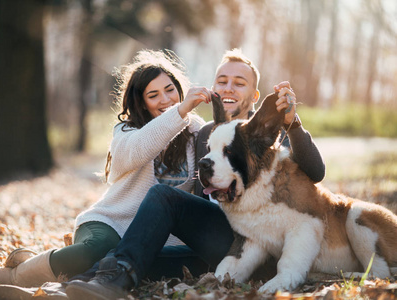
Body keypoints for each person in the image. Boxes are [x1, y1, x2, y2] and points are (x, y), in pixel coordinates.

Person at [63, 48, 326, 299]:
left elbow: (316, 172)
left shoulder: (267, 133)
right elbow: (158, 148)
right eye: (222, 81)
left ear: (255, 95)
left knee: (162, 200)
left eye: (239, 82)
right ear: (214, 88)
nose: (228, 88)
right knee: (131, 253)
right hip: (212, 237)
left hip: (256, 243)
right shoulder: (205, 132)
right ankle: (74, 289)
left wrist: (293, 125)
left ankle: (101, 281)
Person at [0, 49, 213, 289]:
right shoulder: (126, 132)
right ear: (141, 102)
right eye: (154, 95)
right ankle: (16, 276)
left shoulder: (195, 132)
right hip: (110, 223)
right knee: (98, 251)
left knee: (136, 264)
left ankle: (52, 274)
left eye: (170, 89)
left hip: (151, 237)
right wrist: (180, 111)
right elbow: (141, 149)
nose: (166, 99)